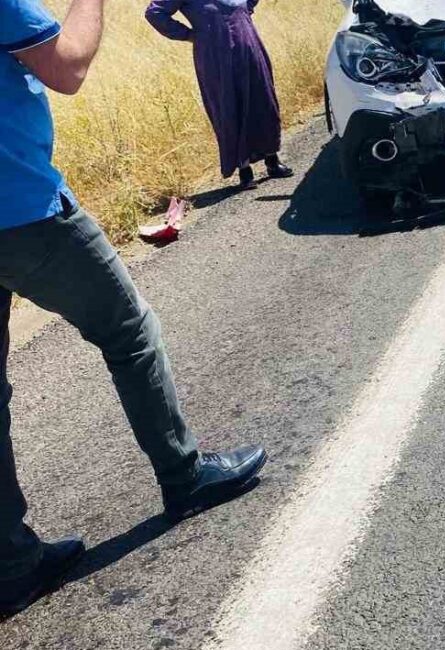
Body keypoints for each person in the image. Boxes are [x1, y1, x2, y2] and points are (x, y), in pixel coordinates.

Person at [0, 0, 268, 617]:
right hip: (20, 211)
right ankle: (185, 476)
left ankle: (10, 562)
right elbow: (66, 68)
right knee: (128, 333)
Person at [146, 0, 294, 190]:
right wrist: (188, 34)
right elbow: (155, 13)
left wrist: (244, 12)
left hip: (248, 44)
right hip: (214, 55)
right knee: (229, 105)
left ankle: (272, 161)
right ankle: (244, 169)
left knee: (263, 99)